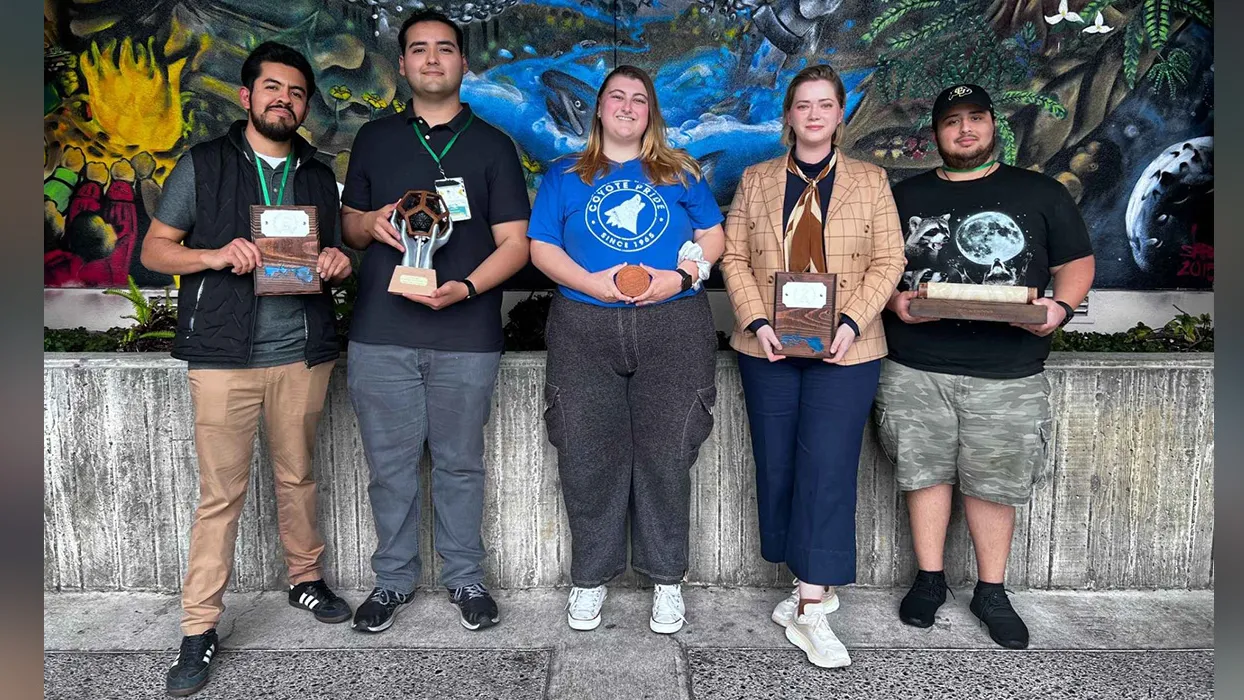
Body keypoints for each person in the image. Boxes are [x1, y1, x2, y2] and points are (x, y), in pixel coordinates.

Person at [139, 41, 355, 697]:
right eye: (272, 88)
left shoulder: (318, 174)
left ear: (305, 107)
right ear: (247, 96)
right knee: (220, 496)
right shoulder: (203, 165)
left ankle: (305, 580)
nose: (284, 100)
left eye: (296, 93)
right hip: (223, 358)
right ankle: (199, 627)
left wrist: (339, 262)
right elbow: (155, 250)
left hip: (301, 353)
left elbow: (338, 253)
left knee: (298, 476)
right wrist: (211, 255)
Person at [878, 84, 1095, 650]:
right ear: (936, 133)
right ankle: (929, 579)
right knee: (923, 473)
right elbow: (875, 268)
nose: (965, 129)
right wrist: (893, 301)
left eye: (975, 117)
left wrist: (1061, 308)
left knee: (995, 481)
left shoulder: (1040, 192)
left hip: (1009, 371)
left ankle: (991, 591)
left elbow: (1077, 262)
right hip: (916, 365)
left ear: (994, 124)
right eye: (952, 121)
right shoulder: (903, 196)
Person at [339, 9, 531, 634]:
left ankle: (466, 578)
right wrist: (370, 223)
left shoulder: (494, 145)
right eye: (418, 48)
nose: (431, 58)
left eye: (444, 48)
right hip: (381, 333)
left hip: (466, 334)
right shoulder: (374, 139)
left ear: (463, 63)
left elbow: (516, 243)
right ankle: (392, 582)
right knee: (389, 469)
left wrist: (466, 288)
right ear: (401, 64)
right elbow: (350, 226)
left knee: (460, 465)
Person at [527, 64, 724, 635]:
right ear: (599, 107)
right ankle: (590, 578)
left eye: (640, 99)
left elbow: (713, 236)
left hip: (673, 325)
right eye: (617, 96)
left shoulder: (680, 171)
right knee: (585, 454)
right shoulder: (565, 174)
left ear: (651, 112)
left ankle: (667, 579)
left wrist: (681, 277)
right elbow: (542, 247)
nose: (628, 106)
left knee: (668, 454)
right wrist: (592, 283)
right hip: (583, 326)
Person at [720, 64, 905, 668]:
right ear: (789, 116)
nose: (815, 114)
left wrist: (851, 321)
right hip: (768, 347)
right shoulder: (756, 180)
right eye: (804, 105)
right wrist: (758, 321)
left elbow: (889, 259)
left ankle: (811, 604)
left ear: (840, 114)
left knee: (827, 466)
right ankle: (799, 575)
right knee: (776, 463)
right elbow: (734, 258)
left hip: (848, 350)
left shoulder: (871, 181)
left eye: (825, 104)